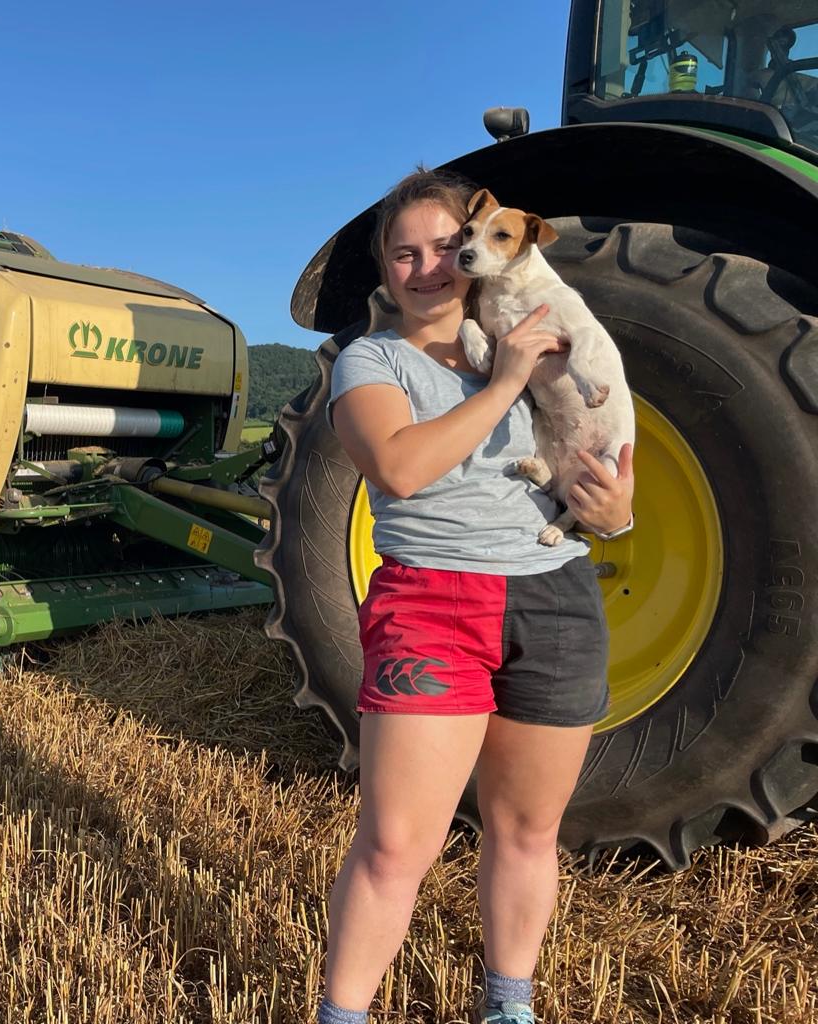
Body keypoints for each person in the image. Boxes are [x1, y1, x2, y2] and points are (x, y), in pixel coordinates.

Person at [320, 169, 634, 1024]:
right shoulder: (371, 361)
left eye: (443, 246)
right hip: (432, 603)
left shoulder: (532, 341)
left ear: (488, 245)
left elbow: (594, 458)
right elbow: (401, 468)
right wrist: (503, 385)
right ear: (384, 269)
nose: (430, 268)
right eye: (404, 254)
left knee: (528, 833)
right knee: (395, 847)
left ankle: (508, 1008)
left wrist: (614, 510)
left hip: (555, 598)